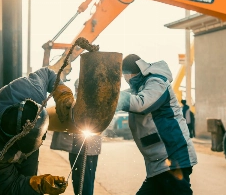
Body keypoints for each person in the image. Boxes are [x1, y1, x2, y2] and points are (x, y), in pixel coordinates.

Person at [0, 67, 74, 195]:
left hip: (23, 140)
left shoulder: (31, 92)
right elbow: (10, 187)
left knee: (30, 179)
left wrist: (63, 94)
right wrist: (41, 185)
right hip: (3, 154)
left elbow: (48, 74)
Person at [116, 54, 198, 195]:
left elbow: (142, 104)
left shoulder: (156, 82)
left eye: (126, 74)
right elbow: (120, 97)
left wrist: (113, 97)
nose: (125, 78)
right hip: (158, 163)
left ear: (132, 73)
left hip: (173, 157)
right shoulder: (140, 87)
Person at [50, 78, 102, 195]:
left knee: (83, 181)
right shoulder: (79, 102)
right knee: (84, 179)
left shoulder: (85, 103)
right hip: (85, 146)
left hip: (84, 145)